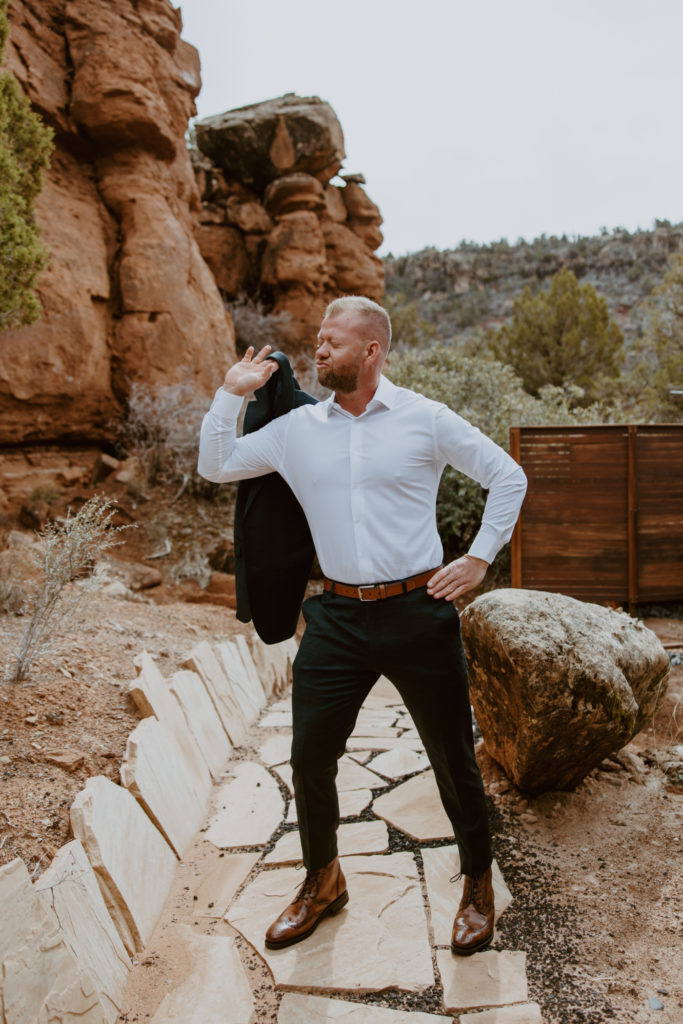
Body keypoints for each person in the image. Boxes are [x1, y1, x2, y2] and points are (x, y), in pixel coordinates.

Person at [198, 295, 527, 956]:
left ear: (370, 350)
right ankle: (323, 882)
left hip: (418, 612)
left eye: (331, 342)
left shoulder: (423, 419)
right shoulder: (297, 430)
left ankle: (477, 886)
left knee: (452, 759)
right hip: (337, 616)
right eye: (317, 340)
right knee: (310, 755)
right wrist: (228, 396)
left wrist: (477, 559)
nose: (317, 351)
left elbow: (506, 476)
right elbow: (216, 464)